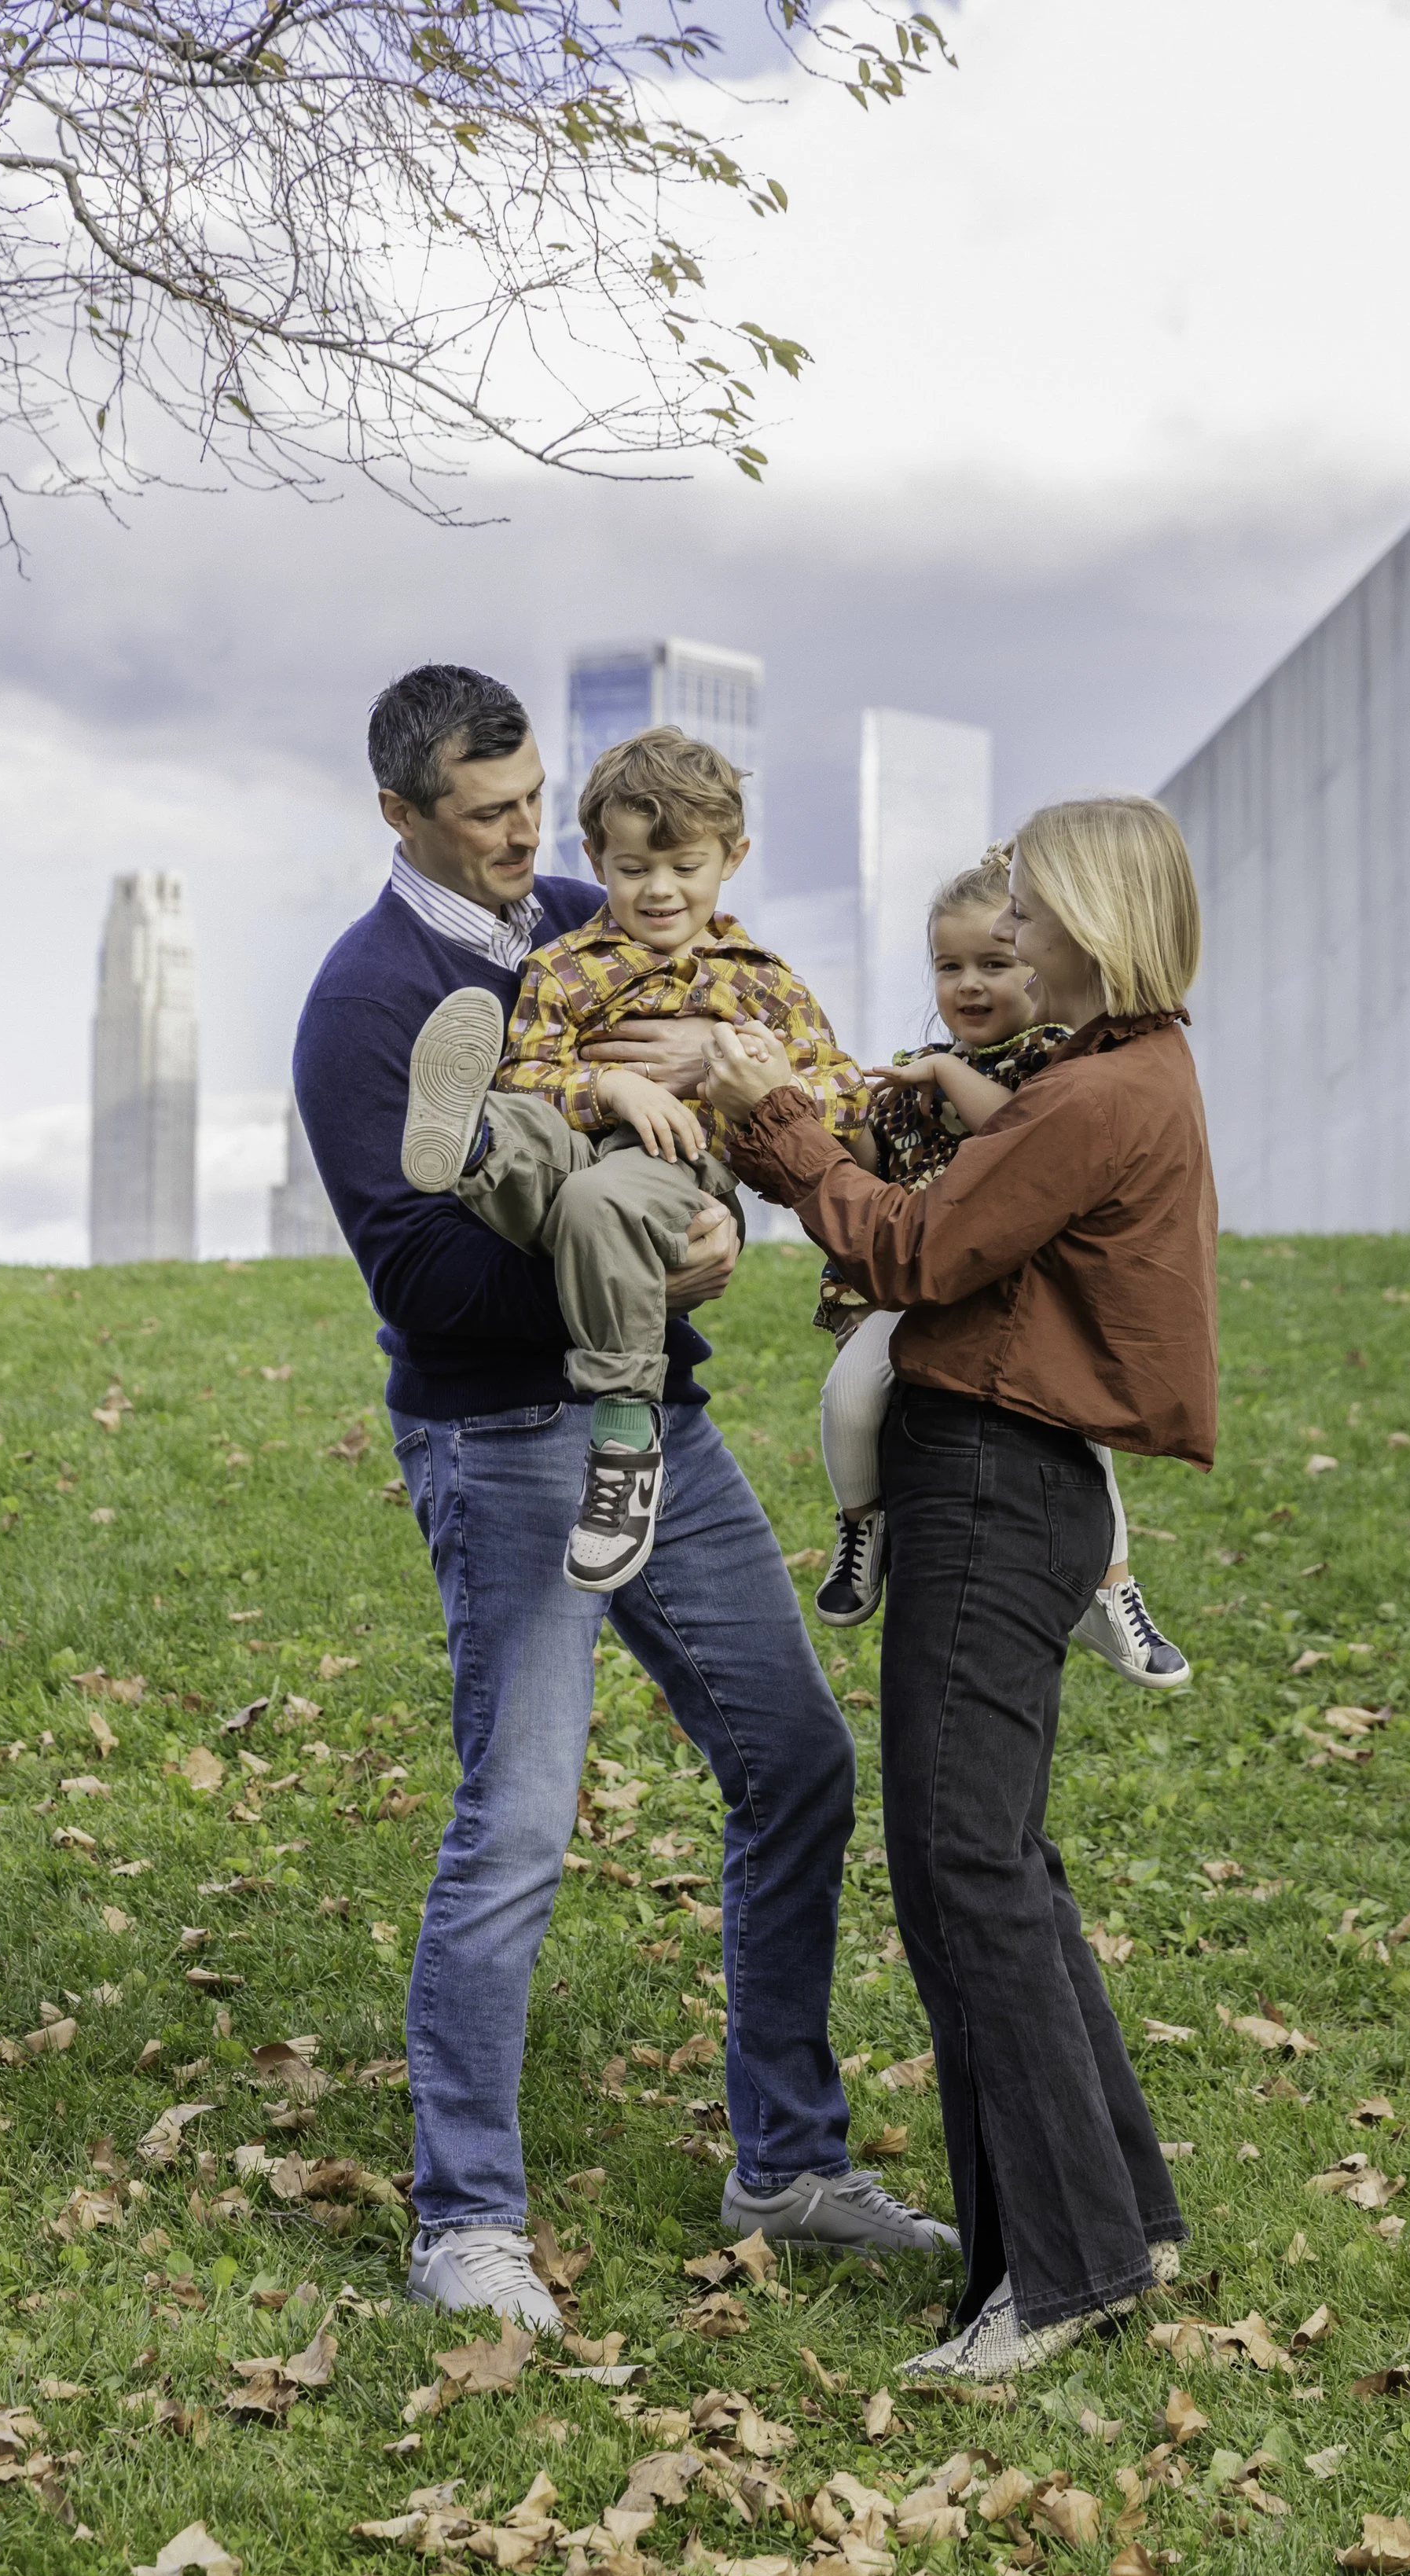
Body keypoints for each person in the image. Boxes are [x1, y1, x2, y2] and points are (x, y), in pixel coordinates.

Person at [291, 663, 955, 2330]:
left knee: (796, 1760)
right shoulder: (368, 998)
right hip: (507, 1436)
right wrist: (639, 1267)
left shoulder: (604, 921)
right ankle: (467, 2221)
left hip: (660, 1415)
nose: (530, 839)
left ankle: (786, 2161)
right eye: (487, 816)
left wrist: (721, 1172)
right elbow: (421, 1280)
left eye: (536, 802)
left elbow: (742, 1091)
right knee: (518, 1821)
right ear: (399, 815)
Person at [702, 794, 1217, 2383]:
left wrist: (779, 1128)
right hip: (1000, 1474)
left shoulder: (1100, 1091)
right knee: (996, 1860)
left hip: (995, 1481)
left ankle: (1054, 2271)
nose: (1014, 937)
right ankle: (1116, 2219)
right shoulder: (1113, 1070)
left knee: (962, 1866)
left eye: (1033, 914)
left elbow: (917, 1252)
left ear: (1096, 921)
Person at [398, 725, 865, 1595]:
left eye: (685, 867)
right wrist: (611, 1086)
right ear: (595, 860)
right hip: (577, 1143)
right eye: (632, 868)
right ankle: (468, 1140)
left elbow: (846, 1095)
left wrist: (744, 1072)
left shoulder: (762, 982)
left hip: (680, 1163)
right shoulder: (561, 967)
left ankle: (624, 1435)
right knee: (517, 1119)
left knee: (596, 1200)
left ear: (732, 858)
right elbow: (530, 1071)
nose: (658, 889)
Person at [811, 851, 1191, 1693]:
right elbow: (877, 1169)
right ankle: (861, 1524)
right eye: (949, 966)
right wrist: (834, 1118)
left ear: (1038, 963)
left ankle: (1113, 1589)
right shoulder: (921, 1066)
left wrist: (948, 1073)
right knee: (849, 1395)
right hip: (919, 1282)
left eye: (993, 961)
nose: (969, 984)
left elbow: (1018, 1137)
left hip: (1021, 1295)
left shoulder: (1055, 1058)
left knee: (1080, 1432)